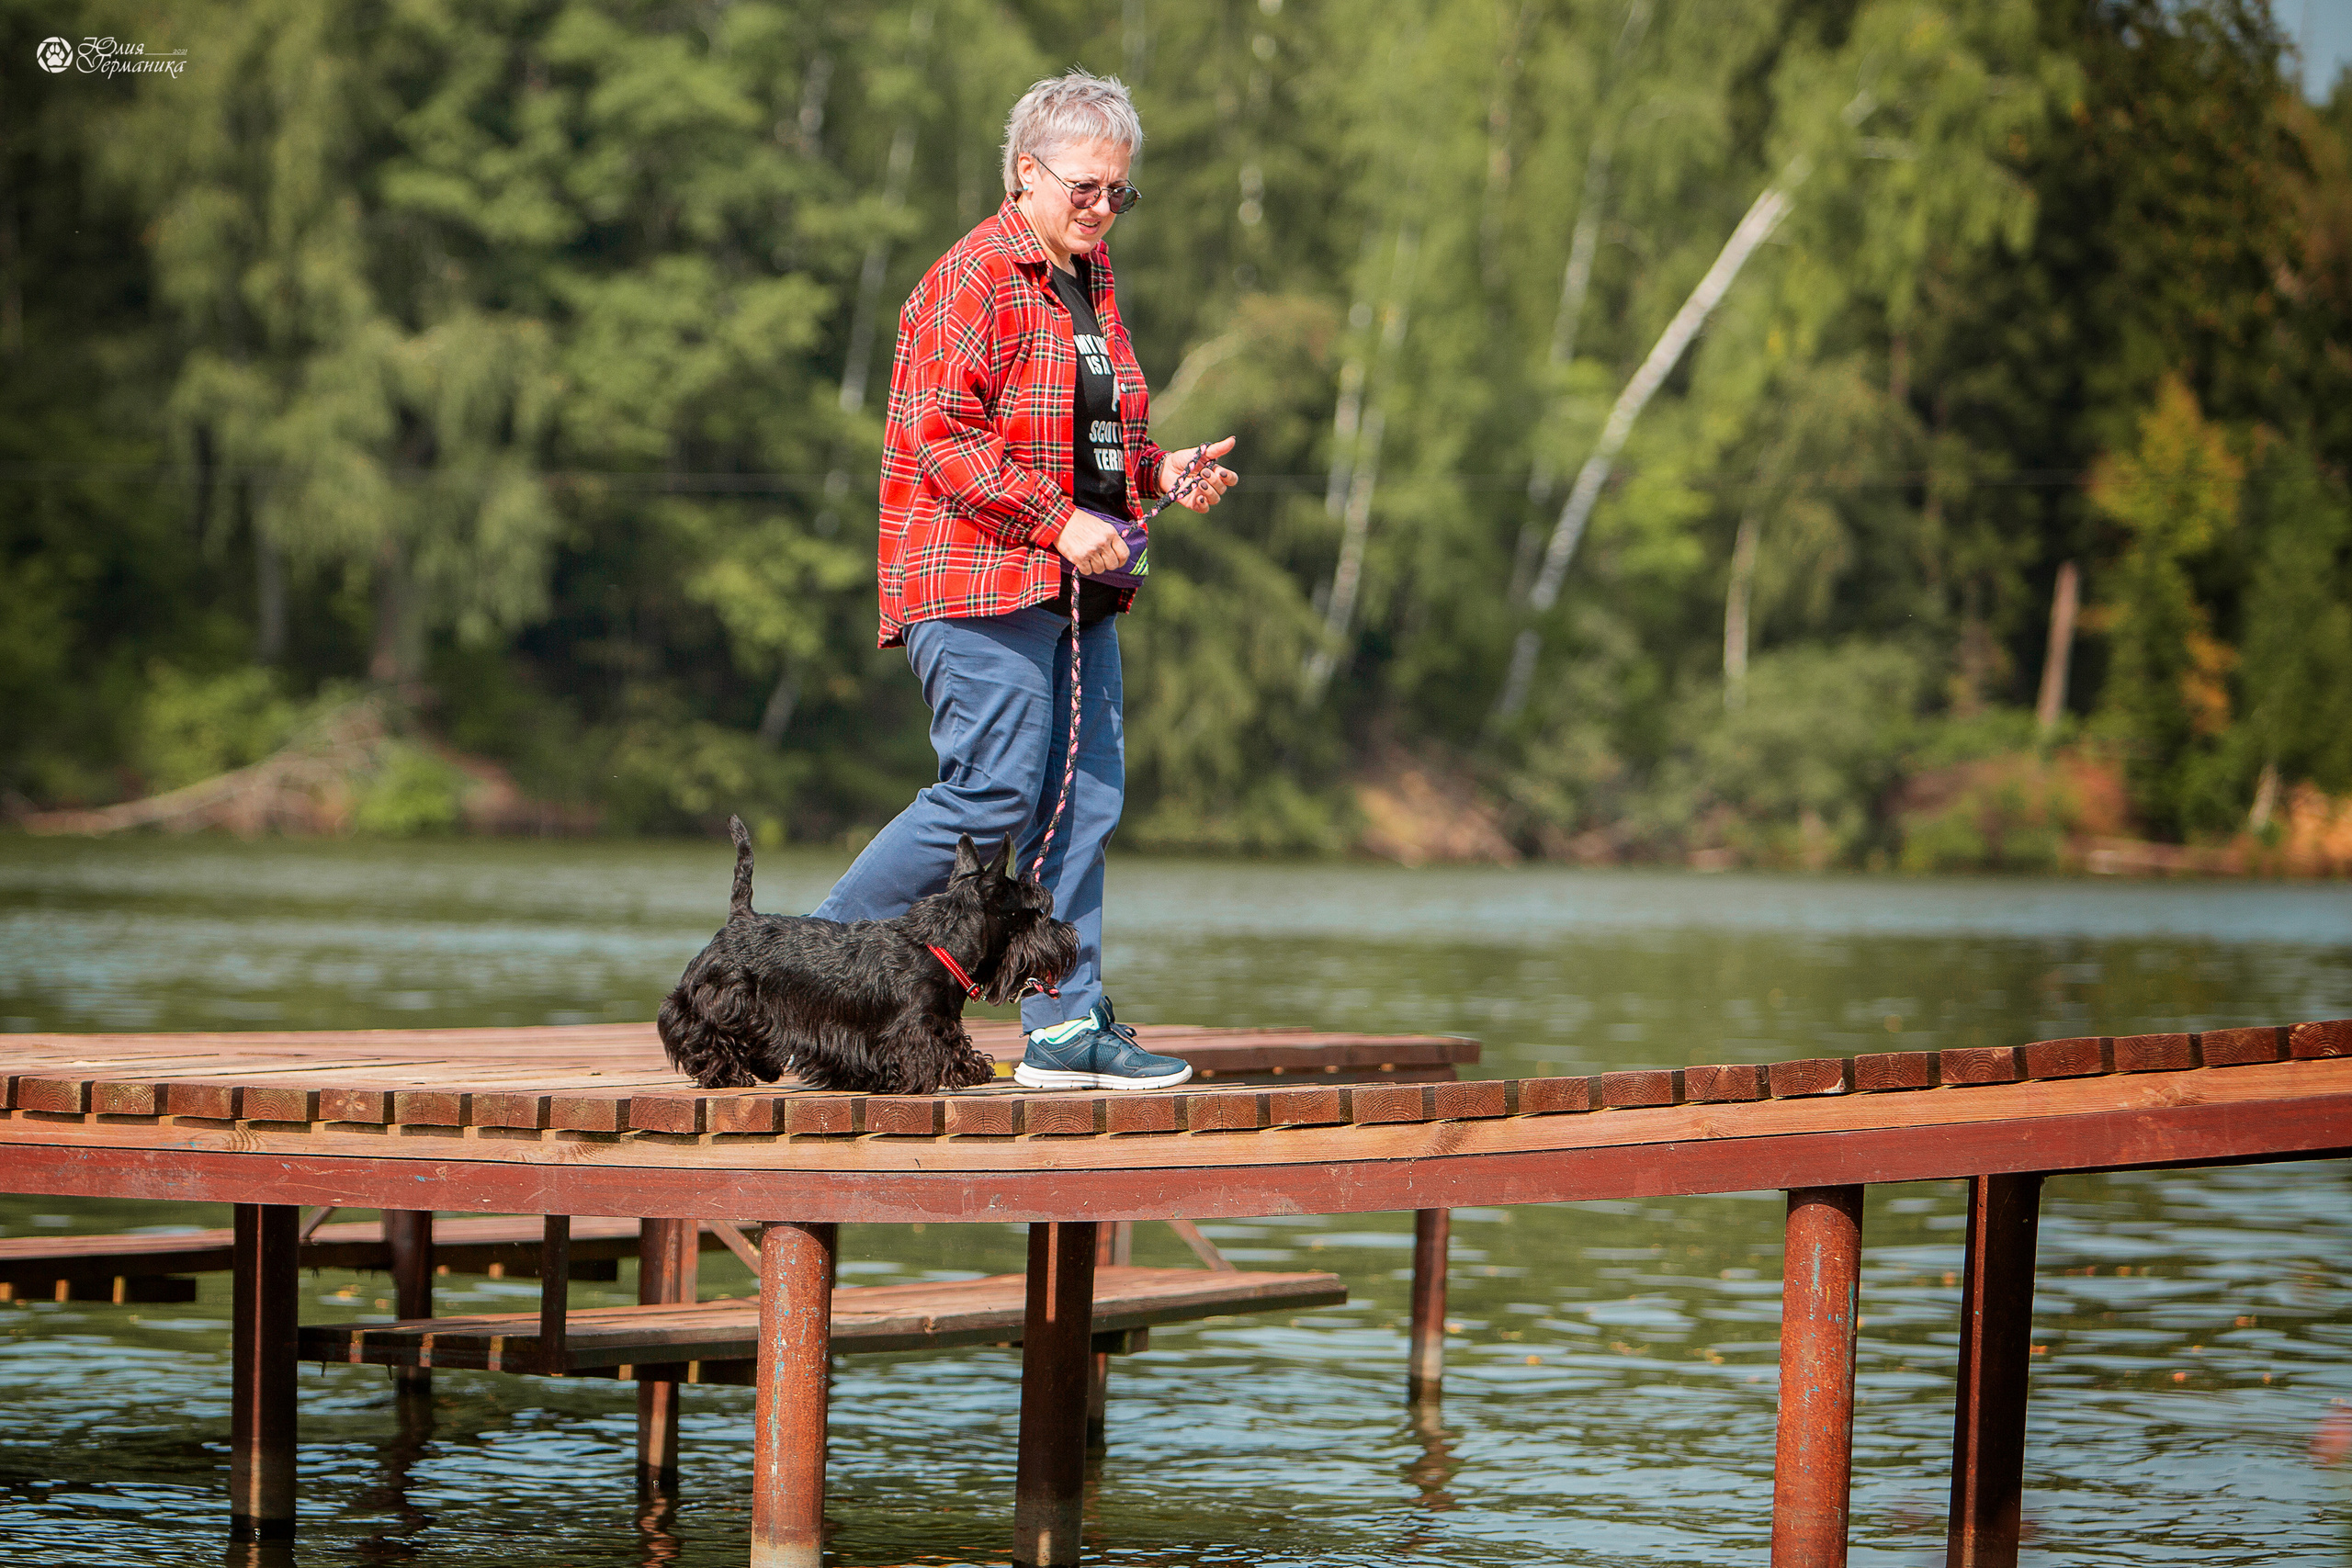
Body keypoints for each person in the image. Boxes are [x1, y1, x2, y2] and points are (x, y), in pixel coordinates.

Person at [810, 69, 1237, 1090]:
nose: (1102, 210)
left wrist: (1160, 473)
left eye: (1117, 193)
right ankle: (817, 965)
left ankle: (1063, 1027)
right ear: (1024, 173)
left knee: (1084, 799)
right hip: (970, 580)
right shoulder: (973, 277)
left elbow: (1092, 445)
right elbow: (942, 440)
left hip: (1070, 588)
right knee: (995, 790)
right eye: (1085, 189)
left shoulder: (1089, 284)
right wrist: (1058, 524)